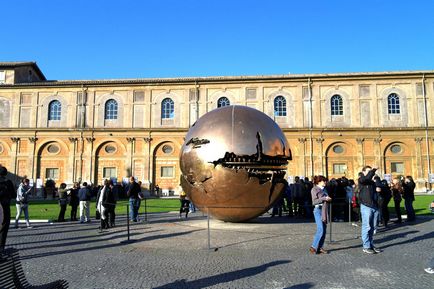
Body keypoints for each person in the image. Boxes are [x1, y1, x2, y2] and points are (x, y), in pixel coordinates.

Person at [358, 166, 382, 254]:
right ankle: (366, 246)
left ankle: (371, 244)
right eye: (369, 171)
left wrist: (377, 179)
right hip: (366, 206)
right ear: (364, 172)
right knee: (366, 227)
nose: (371, 173)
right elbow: (366, 179)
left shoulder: (372, 182)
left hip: (374, 206)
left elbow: (380, 185)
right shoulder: (361, 179)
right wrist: (373, 170)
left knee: (372, 227)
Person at [309, 175, 332, 255]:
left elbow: (326, 198)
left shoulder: (325, 189)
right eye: (324, 181)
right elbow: (314, 201)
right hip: (318, 210)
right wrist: (324, 198)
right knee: (320, 229)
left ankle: (319, 248)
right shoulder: (314, 189)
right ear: (319, 182)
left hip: (324, 210)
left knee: (324, 230)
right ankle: (313, 247)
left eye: (325, 181)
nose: (325, 182)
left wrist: (328, 199)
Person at [0, 166, 15, 251]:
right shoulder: (8, 182)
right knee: (4, 227)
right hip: (4, 206)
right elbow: (13, 195)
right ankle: (1, 248)